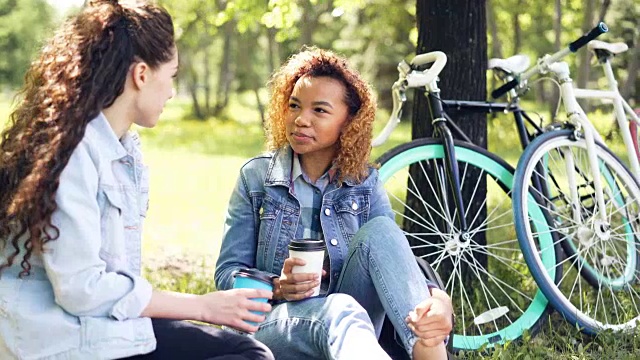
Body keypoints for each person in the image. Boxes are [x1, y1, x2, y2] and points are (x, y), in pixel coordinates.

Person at [0, 1, 273, 359]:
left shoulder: (122, 149)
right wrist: (203, 307)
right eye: (171, 75)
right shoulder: (72, 153)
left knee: (245, 350)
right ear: (141, 75)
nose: (172, 91)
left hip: (95, 325)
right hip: (59, 338)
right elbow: (82, 289)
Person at [215, 47, 453, 360]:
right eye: (294, 106)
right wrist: (276, 287)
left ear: (349, 122)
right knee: (338, 310)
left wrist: (439, 299)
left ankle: (427, 347)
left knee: (380, 230)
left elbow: (392, 258)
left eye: (320, 110)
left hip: (351, 325)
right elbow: (227, 273)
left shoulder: (364, 181)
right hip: (274, 323)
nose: (301, 120)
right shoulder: (256, 177)